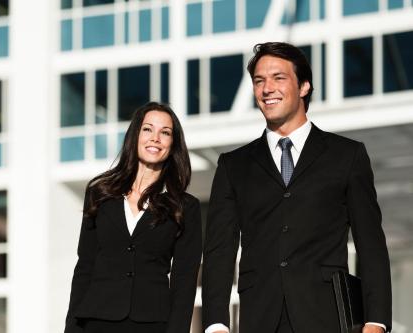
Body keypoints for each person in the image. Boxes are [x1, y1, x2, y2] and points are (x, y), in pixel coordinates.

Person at [201, 42, 392, 333]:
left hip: (325, 316)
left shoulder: (347, 156)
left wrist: (376, 321)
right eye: (259, 81)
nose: (267, 89)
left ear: (304, 86)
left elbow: (371, 244)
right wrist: (216, 324)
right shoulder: (233, 165)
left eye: (278, 78)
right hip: (259, 318)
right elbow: (219, 251)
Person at [64, 102, 202, 333]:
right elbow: (85, 268)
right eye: (148, 129)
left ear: (173, 144)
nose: (155, 138)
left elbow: (184, 281)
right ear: (135, 135)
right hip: (96, 320)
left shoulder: (185, 206)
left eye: (165, 133)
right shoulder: (100, 193)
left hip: (152, 323)